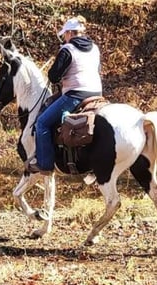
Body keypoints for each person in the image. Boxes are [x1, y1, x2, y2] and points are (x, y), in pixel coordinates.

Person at [26, 16, 102, 174]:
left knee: (42, 123)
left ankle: (44, 164)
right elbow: (98, 69)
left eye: (65, 34)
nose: (64, 37)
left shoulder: (68, 50)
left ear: (69, 33)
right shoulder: (95, 48)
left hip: (76, 94)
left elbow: (53, 76)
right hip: (97, 93)